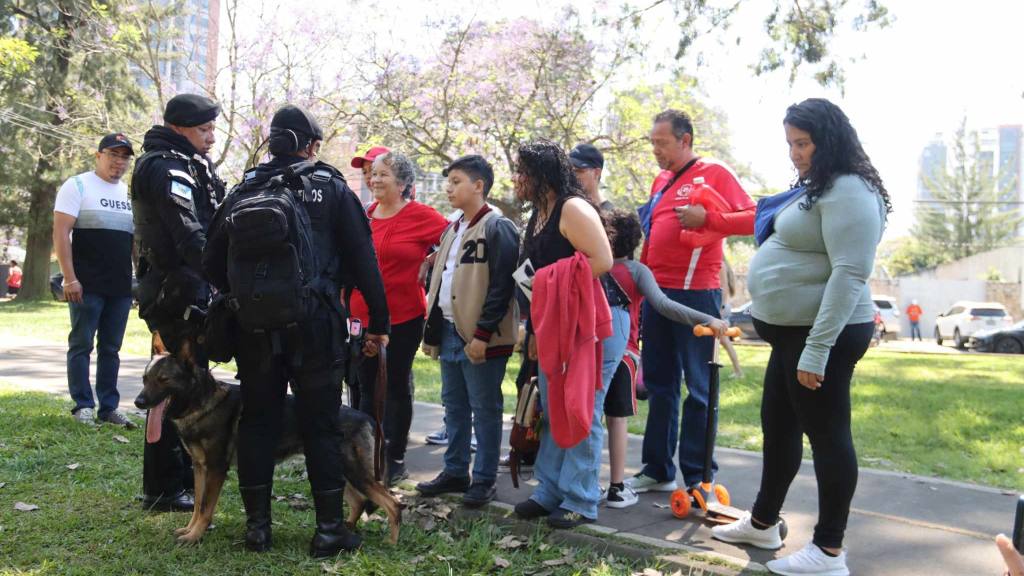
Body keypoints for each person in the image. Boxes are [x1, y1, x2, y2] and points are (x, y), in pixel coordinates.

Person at [709, 98, 890, 576]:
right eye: (790, 143)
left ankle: (829, 551)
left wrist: (817, 349)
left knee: (829, 437)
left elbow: (850, 273)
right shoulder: (821, 186)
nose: (795, 152)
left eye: (803, 143)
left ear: (829, 139)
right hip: (793, 335)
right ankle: (764, 523)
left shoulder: (850, 189)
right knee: (779, 426)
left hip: (823, 335)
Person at [203, 104, 389, 556]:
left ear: (274, 141)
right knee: (321, 426)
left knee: (258, 422)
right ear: (310, 145)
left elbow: (210, 262)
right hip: (318, 325)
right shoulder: (331, 187)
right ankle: (329, 531)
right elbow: (366, 262)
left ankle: (257, 529)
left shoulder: (245, 188)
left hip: (253, 329)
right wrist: (379, 325)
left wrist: (249, 299)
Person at [630, 109, 755, 499]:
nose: (656, 150)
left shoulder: (714, 172)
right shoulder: (660, 180)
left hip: (696, 295)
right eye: (652, 142)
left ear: (685, 140)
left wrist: (709, 217)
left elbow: (753, 217)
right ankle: (657, 469)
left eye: (662, 143)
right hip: (657, 293)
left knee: (699, 388)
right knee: (660, 384)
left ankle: (700, 478)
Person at [510, 140, 625, 529]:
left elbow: (603, 260)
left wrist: (548, 281)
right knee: (553, 408)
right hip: (554, 325)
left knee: (581, 409)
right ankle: (550, 492)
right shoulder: (538, 213)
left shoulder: (572, 208)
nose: (516, 179)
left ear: (541, 175)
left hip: (590, 325)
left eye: (522, 172)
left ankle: (581, 499)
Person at [132, 93, 225, 513]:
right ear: (179, 128)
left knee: (188, 383)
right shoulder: (166, 166)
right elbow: (189, 233)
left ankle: (180, 478)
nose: (210, 136)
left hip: (185, 291)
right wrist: (223, 275)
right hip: (174, 295)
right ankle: (163, 485)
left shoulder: (184, 162)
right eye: (204, 129)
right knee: (167, 386)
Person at [602, 209, 727, 508]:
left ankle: (615, 486)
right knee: (602, 420)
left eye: (605, 230)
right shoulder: (600, 265)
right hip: (605, 355)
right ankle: (601, 485)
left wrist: (707, 317)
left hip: (619, 356)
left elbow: (664, 305)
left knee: (610, 419)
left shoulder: (632, 270)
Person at [416, 155, 519, 507]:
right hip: (448, 329)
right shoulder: (453, 227)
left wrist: (483, 335)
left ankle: (485, 477)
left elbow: (502, 285)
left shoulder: (497, 226)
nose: (449, 187)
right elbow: (442, 280)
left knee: (484, 407)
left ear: (479, 185)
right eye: (448, 181)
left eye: (456, 181)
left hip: (479, 336)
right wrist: (432, 333)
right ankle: (455, 469)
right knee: (454, 405)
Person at [348, 151, 448, 486]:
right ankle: (364, 454)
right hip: (360, 317)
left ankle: (394, 458)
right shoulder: (366, 215)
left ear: (403, 183)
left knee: (394, 385)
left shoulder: (422, 216)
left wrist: (431, 260)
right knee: (363, 385)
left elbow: (455, 240)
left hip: (402, 318)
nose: (374, 180)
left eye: (383, 175)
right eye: (373, 174)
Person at [52, 133, 137, 428]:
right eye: (113, 154)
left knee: (111, 349)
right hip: (85, 285)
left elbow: (134, 240)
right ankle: (83, 405)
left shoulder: (128, 192)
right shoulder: (77, 185)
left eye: (124, 156)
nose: (119, 161)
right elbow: (61, 233)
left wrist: (138, 280)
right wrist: (69, 278)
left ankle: (109, 408)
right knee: (81, 345)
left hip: (120, 287)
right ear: (98, 155)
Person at [719, 257, 744, 379]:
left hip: (721, 307)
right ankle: (738, 371)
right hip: (723, 305)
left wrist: (721, 307)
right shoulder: (724, 265)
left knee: (724, 341)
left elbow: (724, 288)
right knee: (724, 341)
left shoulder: (720, 264)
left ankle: (738, 371)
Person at [569, 143, 612, 210]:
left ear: (596, 173)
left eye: (578, 171)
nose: (573, 175)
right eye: (569, 170)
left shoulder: (611, 215)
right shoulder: (566, 210)